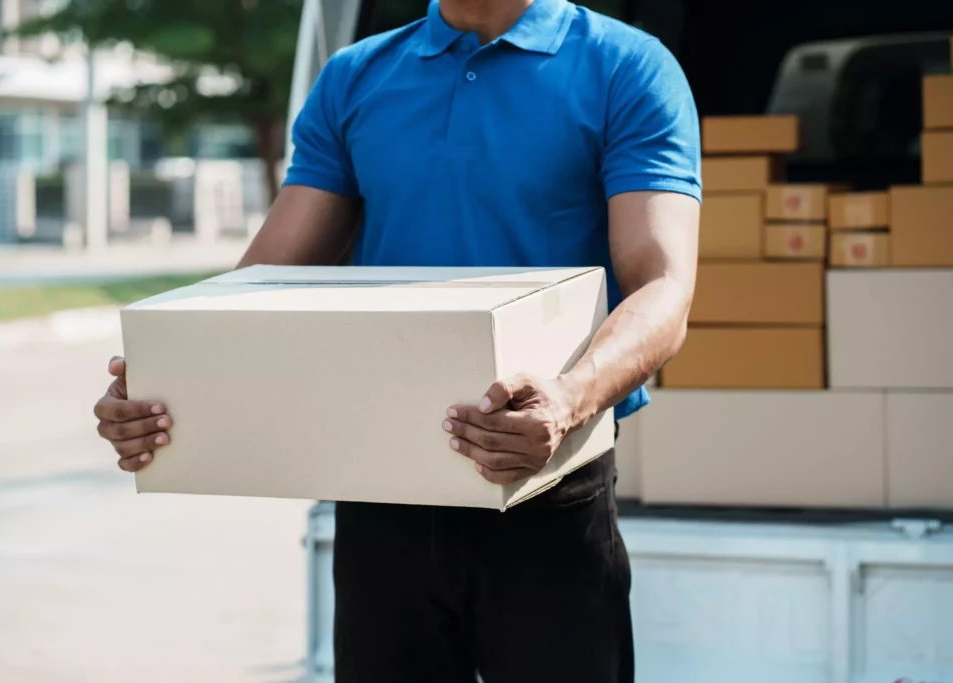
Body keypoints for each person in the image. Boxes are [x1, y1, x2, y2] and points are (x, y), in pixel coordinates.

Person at [94, 0, 700, 680]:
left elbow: (664, 289)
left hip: (545, 489)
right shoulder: (356, 77)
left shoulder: (626, 67)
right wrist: (166, 384)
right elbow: (259, 291)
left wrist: (565, 401)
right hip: (383, 495)